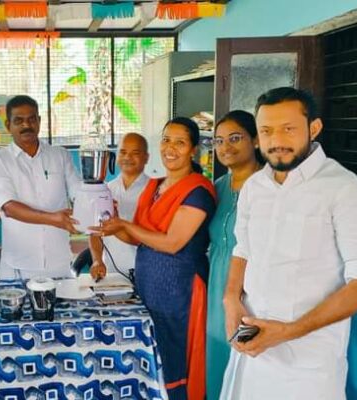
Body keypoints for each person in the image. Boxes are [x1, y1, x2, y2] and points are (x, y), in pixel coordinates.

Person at [220, 87, 357, 400]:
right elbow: (242, 248)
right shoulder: (255, 186)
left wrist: (290, 331)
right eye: (266, 131)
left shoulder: (345, 189)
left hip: (308, 363)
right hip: (251, 351)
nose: (276, 140)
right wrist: (231, 298)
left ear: (313, 128)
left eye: (288, 129)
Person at [93, 117, 215, 400]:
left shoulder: (197, 191)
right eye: (166, 140)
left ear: (193, 150)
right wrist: (114, 225)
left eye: (180, 142)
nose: (170, 148)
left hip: (179, 290)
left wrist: (125, 225)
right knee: (153, 354)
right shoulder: (155, 187)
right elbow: (139, 238)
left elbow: (172, 243)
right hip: (150, 288)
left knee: (176, 356)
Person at [0, 95, 81, 279]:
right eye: (18, 121)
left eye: (31, 119)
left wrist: (97, 201)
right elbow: (9, 207)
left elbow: (78, 192)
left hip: (59, 263)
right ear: (8, 125)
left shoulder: (60, 155)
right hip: (17, 266)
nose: (26, 125)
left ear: (39, 121)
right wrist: (53, 218)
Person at [206, 110, 261, 400]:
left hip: (254, 287)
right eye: (218, 140)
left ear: (256, 140)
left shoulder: (269, 186)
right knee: (217, 351)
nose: (225, 146)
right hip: (218, 282)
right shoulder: (217, 188)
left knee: (248, 355)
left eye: (235, 138)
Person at [88, 132, 149, 280]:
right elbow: (95, 232)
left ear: (146, 157)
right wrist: (97, 260)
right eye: (123, 152)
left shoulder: (155, 190)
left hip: (146, 274)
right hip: (112, 276)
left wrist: (117, 225)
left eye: (135, 153)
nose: (128, 157)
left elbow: (151, 239)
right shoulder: (105, 190)